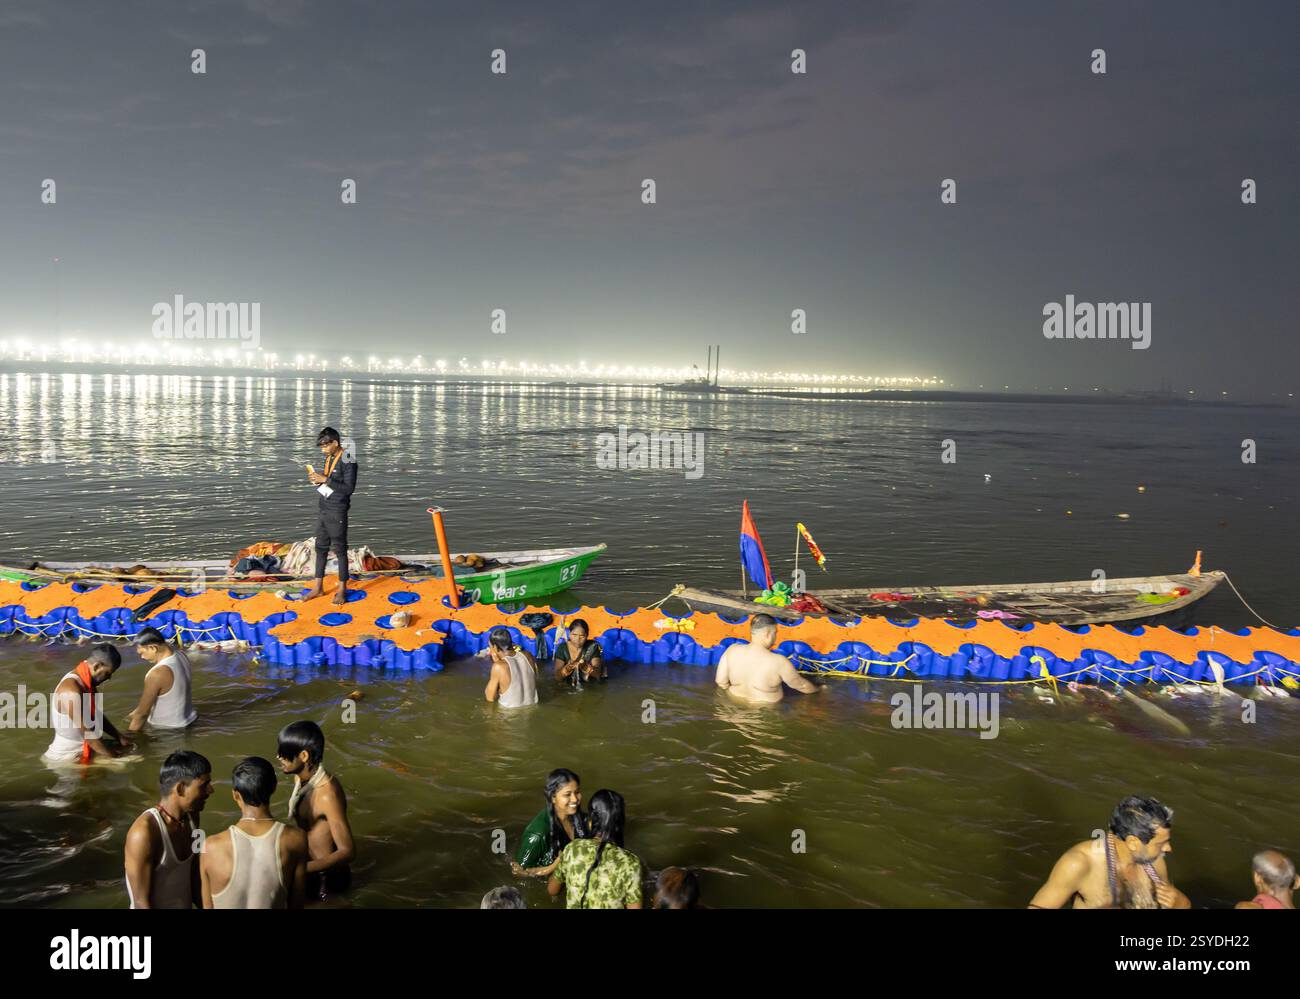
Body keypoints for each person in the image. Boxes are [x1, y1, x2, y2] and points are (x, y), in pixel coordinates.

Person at [1028, 795, 1192, 909]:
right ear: (1133, 843)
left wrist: (1182, 904)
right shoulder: (1080, 863)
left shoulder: (1155, 863)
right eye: (1161, 843)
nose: (1168, 849)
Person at [201, 757, 308, 909]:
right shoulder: (296, 839)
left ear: (236, 795)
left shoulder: (209, 846)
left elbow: (207, 906)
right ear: (274, 787)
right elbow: (297, 905)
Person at [276, 720, 355, 900]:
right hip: (309, 866)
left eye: (284, 752)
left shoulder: (327, 795)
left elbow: (348, 851)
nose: (278, 756)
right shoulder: (302, 778)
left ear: (303, 756)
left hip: (327, 878)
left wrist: (300, 869)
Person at [124, 751, 213, 909]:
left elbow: (195, 873)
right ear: (180, 789)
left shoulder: (194, 817)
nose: (210, 791)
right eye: (204, 786)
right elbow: (140, 903)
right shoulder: (144, 833)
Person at [548, 789, 642, 909]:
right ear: (620, 825)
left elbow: (552, 890)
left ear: (591, 822)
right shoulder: (631, 863)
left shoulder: (573, 849)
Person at [43, 644, 133, 763]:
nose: (109, 678)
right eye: (107, 673)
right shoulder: (70, 691)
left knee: (133, 746)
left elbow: (94, 715)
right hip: (67, 758)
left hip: (84, 749)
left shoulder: (85, 682)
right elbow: (88, 735)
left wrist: (119, 736)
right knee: (129, 762)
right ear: (96, 666)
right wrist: (115, 759)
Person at [303, 426, 357, 605]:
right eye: (321, 447)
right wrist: (317, 480)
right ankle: (318, 587)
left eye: (326, 446)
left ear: (335, 443)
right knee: (320, 547)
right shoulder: (330, 457)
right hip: (324, 508)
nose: (323, 449)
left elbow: (348, 489)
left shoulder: (348, 460)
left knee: (340, 549)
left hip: (337, 510)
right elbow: (330, 484)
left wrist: (325, 479)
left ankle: (342, 589)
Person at [714, 614, 820, 704]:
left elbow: (721, 682)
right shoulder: (779, 661)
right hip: (764, 711)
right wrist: (819, 690)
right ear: (768, 634)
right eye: (775, 633)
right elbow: (801, 685)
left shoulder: (732, 650)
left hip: (734, 703)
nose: (775, 637)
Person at [512, 768, 587, 878]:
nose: (575, 799)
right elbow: (518, 872)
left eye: (577, 792)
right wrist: (554, 865)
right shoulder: (537, 835)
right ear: (553, 798)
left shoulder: (576, 816)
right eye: (567, 794)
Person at [124, 627, 198, 732]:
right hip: (190, 720)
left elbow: (142, 715)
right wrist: (135, 713)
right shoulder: (181, 655)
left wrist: (130, 737)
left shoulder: (157, 674)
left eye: (142, 653)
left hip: (167, 731)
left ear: (153, 648)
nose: (142, 657)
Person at [484, 627, 538, 708]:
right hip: (533, 707)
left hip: (509, 713)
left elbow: (490, 698)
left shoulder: (499, 666)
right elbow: (535, 677)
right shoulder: (528, 655)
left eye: (490, 646)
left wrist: (496, 662)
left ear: (495, 647)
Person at [555, 619, 606, 683]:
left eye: (582, 636)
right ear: (569, 634)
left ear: (587, 636)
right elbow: (557, 677)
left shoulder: (592, 647)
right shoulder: (562, 648)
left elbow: (598, 674)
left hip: (588, 685)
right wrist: (564, 670)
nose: (577, 639)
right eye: (574, 635)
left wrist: (586, 667)